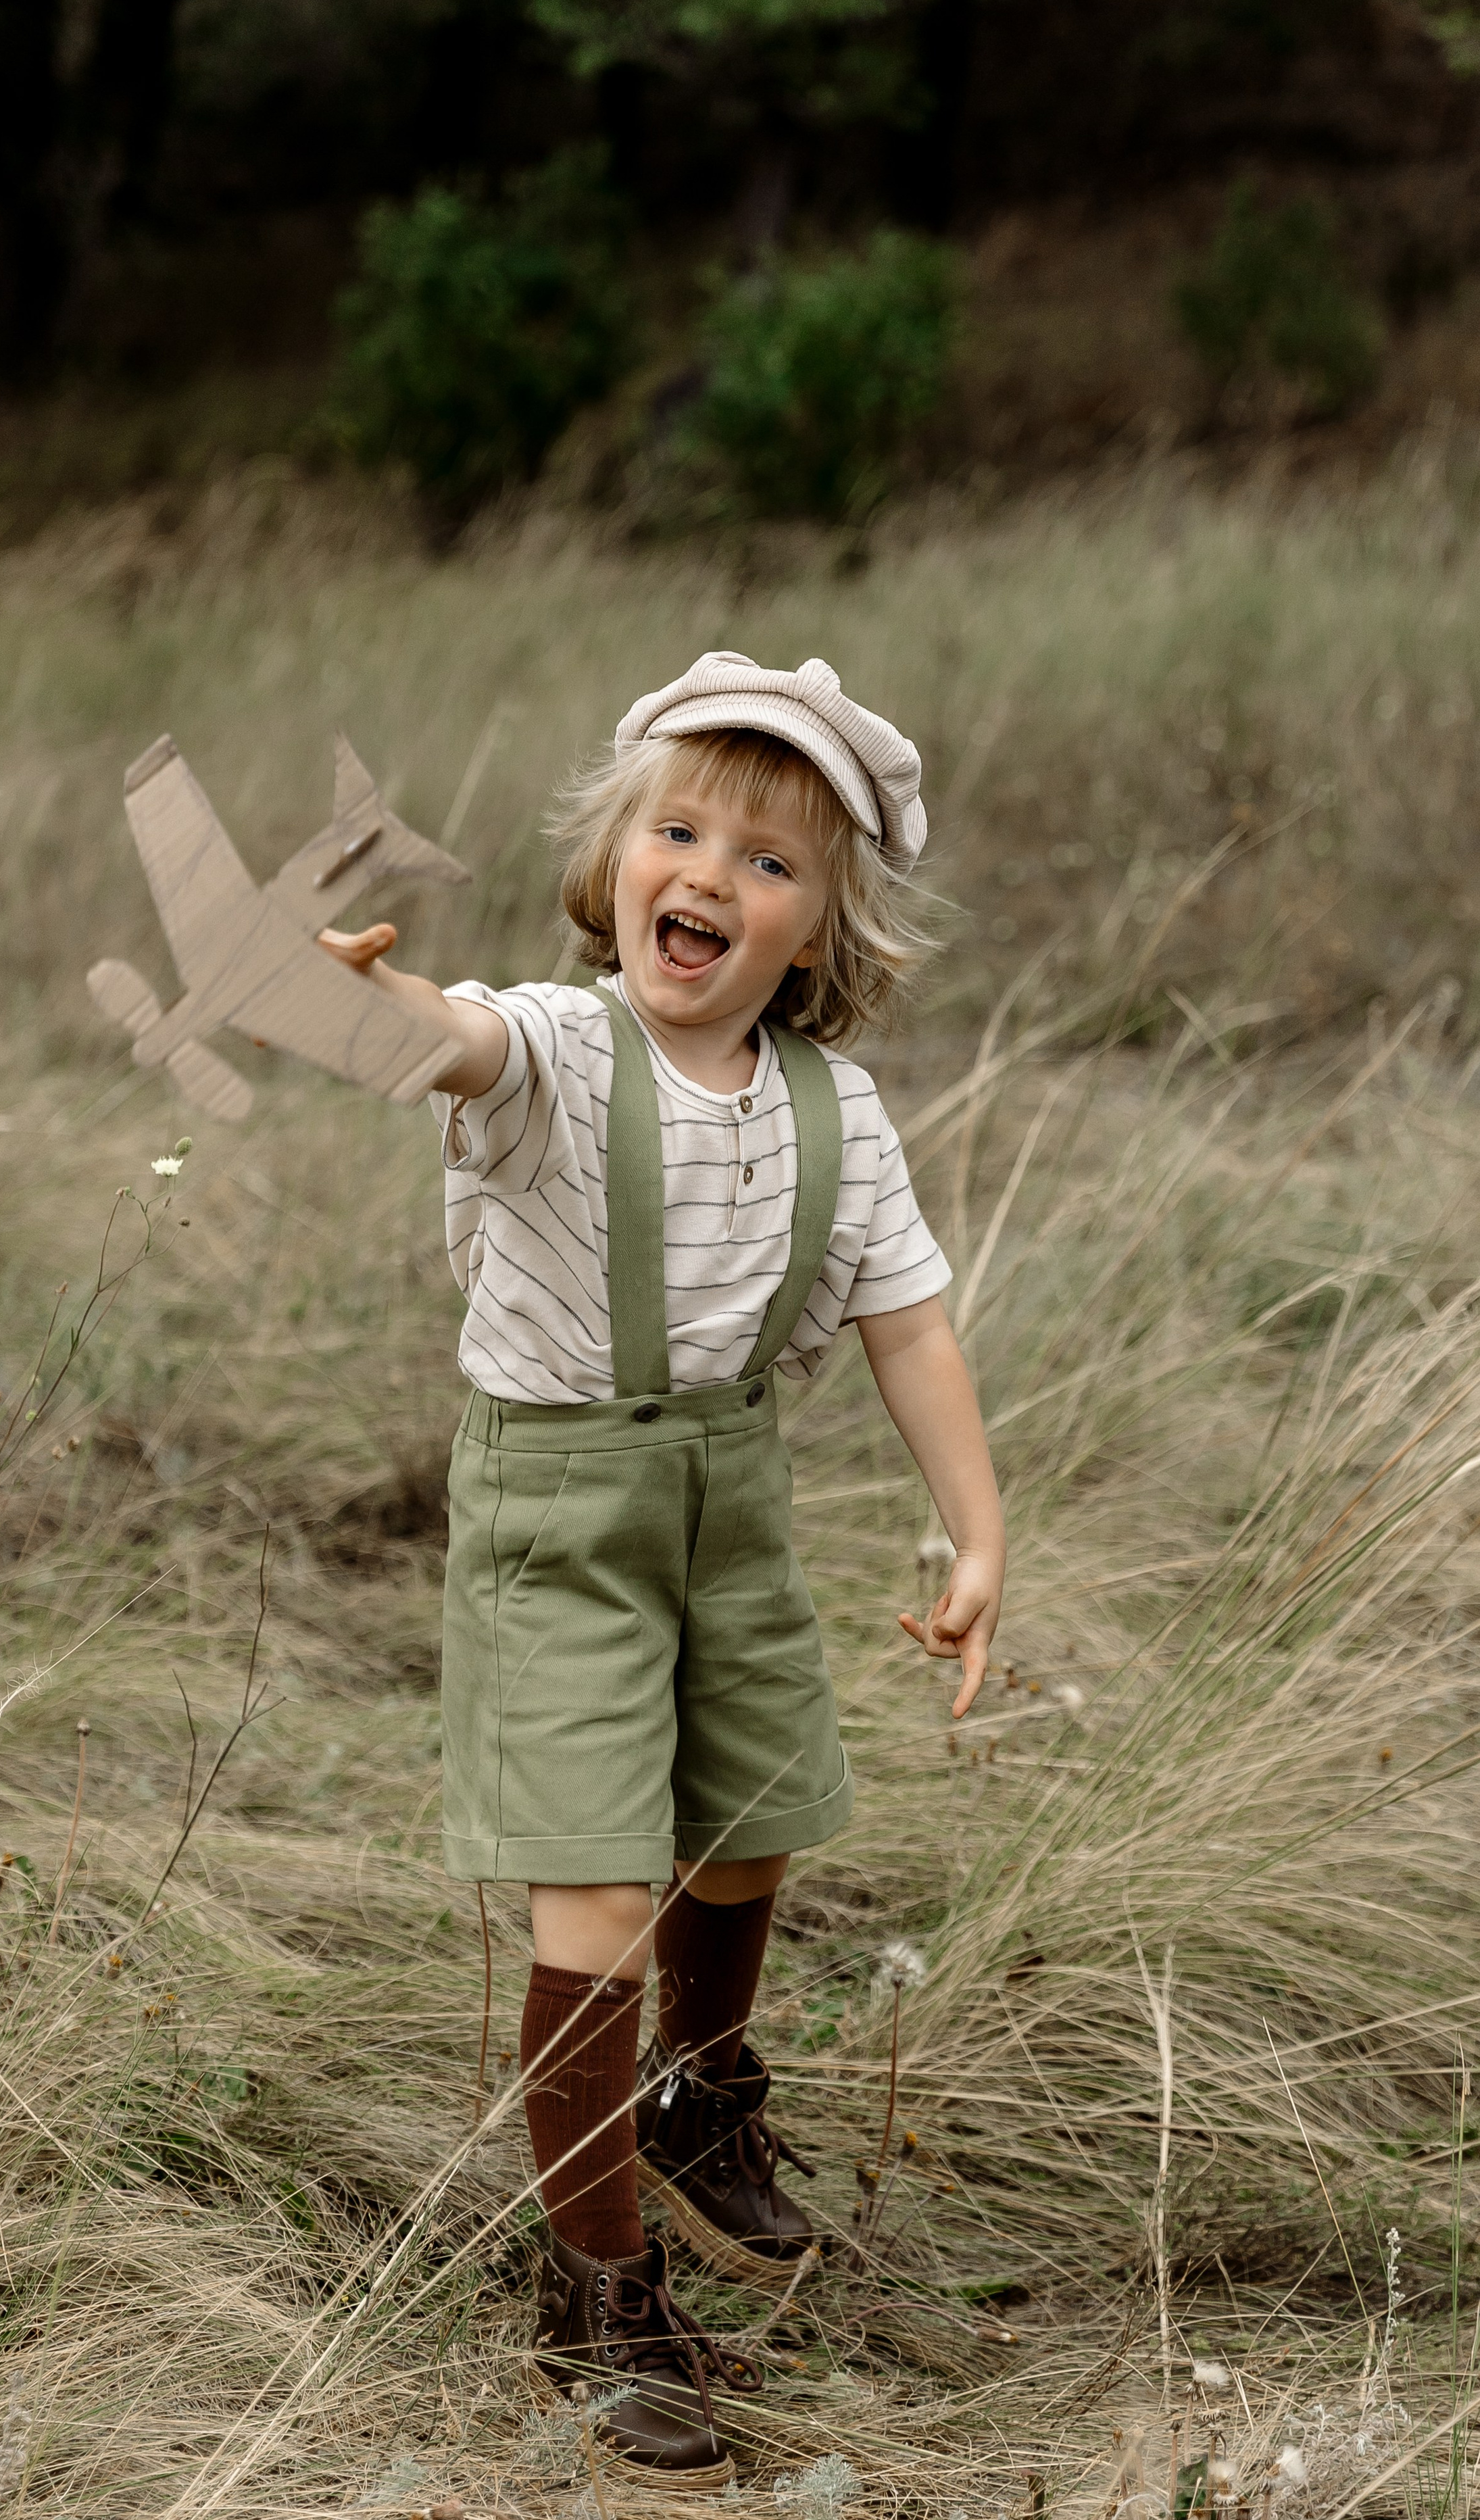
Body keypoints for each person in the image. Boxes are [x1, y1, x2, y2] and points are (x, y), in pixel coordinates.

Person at [318, 651, 1004, 2492]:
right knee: (600, 1898)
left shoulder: (836, 1110)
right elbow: (447, 1038)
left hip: (733, 1501)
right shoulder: (550, 1048)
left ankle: (703, 2090)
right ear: (616, 858)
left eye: (767, 861)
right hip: (559, 1518)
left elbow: (911, 1323)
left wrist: (978, 1528)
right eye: (679, 833)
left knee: (757, 1825)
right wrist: (368, 1003)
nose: (708, 875)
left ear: (821, 927)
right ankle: (597, 2283)